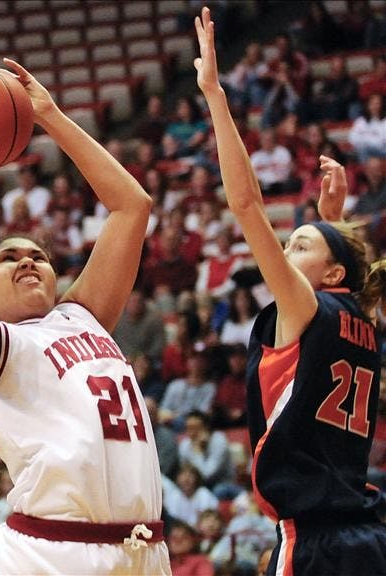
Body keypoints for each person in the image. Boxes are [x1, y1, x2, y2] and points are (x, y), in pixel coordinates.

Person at [0, 58, 170, 574]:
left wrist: (51, 118)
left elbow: (132, 205)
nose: (28, 259)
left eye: (39, 256)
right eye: (12, 257)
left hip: (144, 548)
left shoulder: (80, 316)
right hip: (51, 553)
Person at [195, 7, 386, 574]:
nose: (285, 251)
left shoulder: (307, 307)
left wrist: (215, 96)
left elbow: (247, 203)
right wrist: (331, 222)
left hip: (313, 538)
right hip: (365, 533)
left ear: (329, 274)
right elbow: (345, 270)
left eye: (299, 245)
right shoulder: (362, 320)